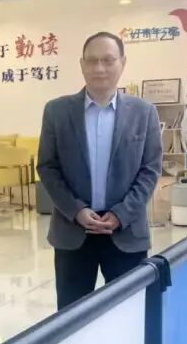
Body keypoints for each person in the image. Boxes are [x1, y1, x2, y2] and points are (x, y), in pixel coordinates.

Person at [37, 32, 163, 310]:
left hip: (126, 234)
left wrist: (122, 213)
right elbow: (47, 166)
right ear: (81, 65)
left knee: (128, 314)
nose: (100, 68)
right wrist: (76, 210)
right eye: (92, 61)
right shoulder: (57, 111)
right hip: (73, 233)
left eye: (108, 60)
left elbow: (151, 169)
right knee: (72, 316)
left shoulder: (144, 112)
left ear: (122, 63)